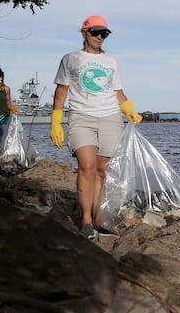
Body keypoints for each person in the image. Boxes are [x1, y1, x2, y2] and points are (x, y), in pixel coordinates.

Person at [50, 15, 142, 240]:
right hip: (81, 117)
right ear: (84, 33)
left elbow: (117, 92)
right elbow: (61, 91)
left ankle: (99, 219)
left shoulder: (111, 61)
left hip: (110, 117)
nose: (100, 36)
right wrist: (56, 121)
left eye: (104, 33)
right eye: (95, 32)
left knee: (103, 170)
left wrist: (129, 109)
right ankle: (86, 221)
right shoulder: (70, 59)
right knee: (87, 166)